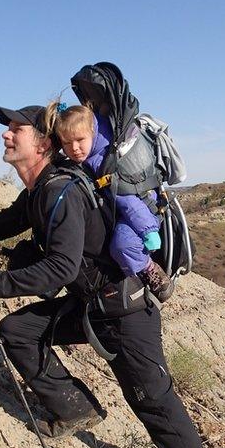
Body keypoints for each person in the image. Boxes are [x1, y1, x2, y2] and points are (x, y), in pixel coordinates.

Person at [0, 104, 218, 448]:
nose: (6, 136)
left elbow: (62, 268)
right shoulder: (40, 192)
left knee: (152, 401)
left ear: (42, 144)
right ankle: (75, 409)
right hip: (92, 306)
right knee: (19, 331)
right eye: (7, 130)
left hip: (125, 311)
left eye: (15, 130)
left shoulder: (59, 192)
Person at [47, 102, 174, 301]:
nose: (74, 148)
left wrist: (148, 229)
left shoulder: (103, 162)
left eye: (80, 140)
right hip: (123, 210)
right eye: (67, 143)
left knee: (122, 245)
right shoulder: (93, 155)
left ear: (93, 131)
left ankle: (151, 270)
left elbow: (127, 199)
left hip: (142, 212)